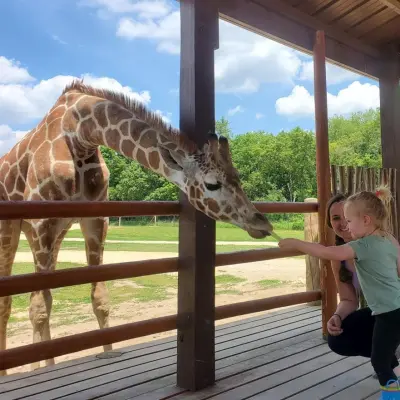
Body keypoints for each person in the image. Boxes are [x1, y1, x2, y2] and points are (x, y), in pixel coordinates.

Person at [279, 187, 400, 397]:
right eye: (338, 218)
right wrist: (336, 315)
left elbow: (327, 252)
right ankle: (394, 376)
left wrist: (297, 243)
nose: (345, 224)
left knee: (379, 361)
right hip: (391, 310)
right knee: (377, 355)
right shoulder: (387, 238)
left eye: (349, 220)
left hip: (390, 314)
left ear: (366, 220)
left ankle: (391, 393)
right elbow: (348, 298)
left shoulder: (361, 246)